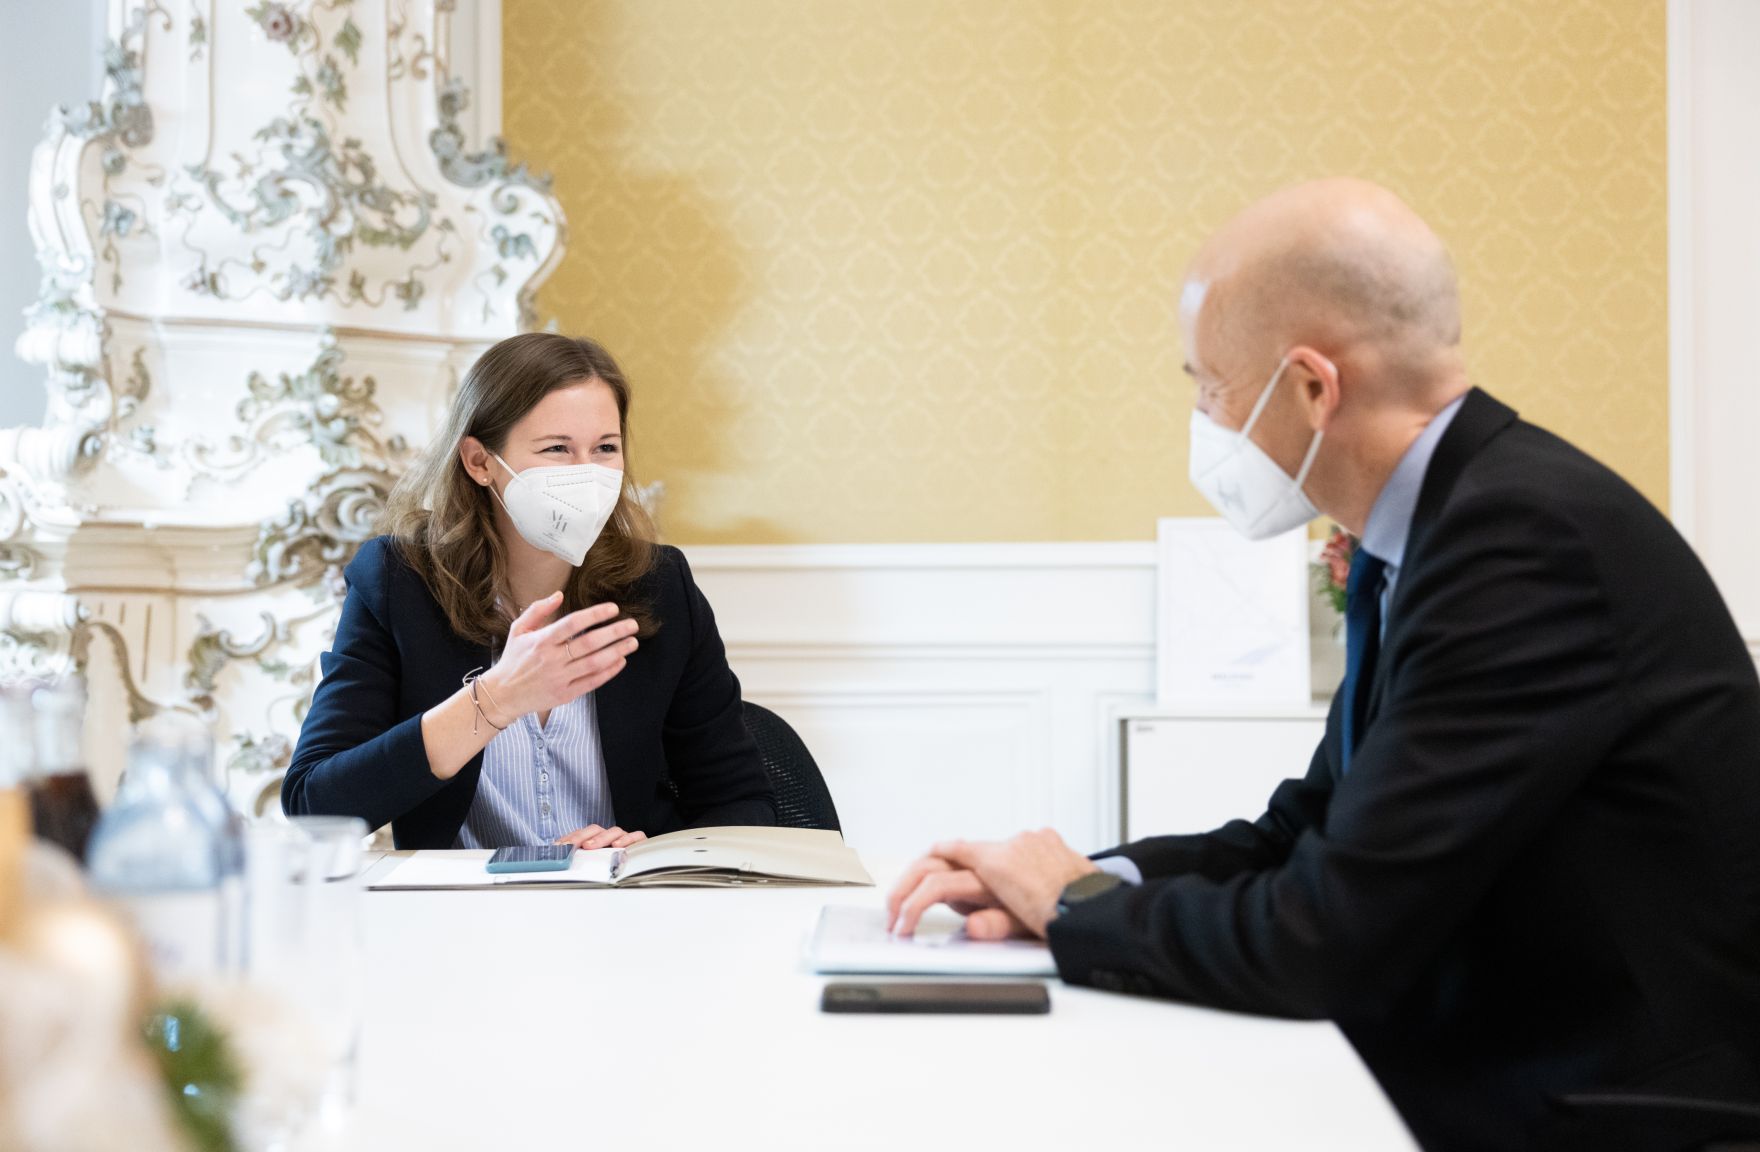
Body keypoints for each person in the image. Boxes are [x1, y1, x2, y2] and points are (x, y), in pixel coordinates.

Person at [888, 179, 1760, 1150]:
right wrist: (1074, 880)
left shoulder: (1514, 541)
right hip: (1497, 1053)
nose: (1204, 418)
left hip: (1593, 1103)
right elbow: (1301, 831)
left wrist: (1072, 905)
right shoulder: (1436, 525)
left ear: (1309, 386)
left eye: (1206, 385)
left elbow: (1322, 942)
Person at [284, 333, 776, 849]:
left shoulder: (659, 585)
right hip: (462, 917)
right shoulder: (397, 581)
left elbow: (742, 803)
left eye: (605, 448)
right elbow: (315, 803)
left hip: (622, 908)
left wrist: (649, 852)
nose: (587, 471)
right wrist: (497, 698)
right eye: (557, 449)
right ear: (479, 462)